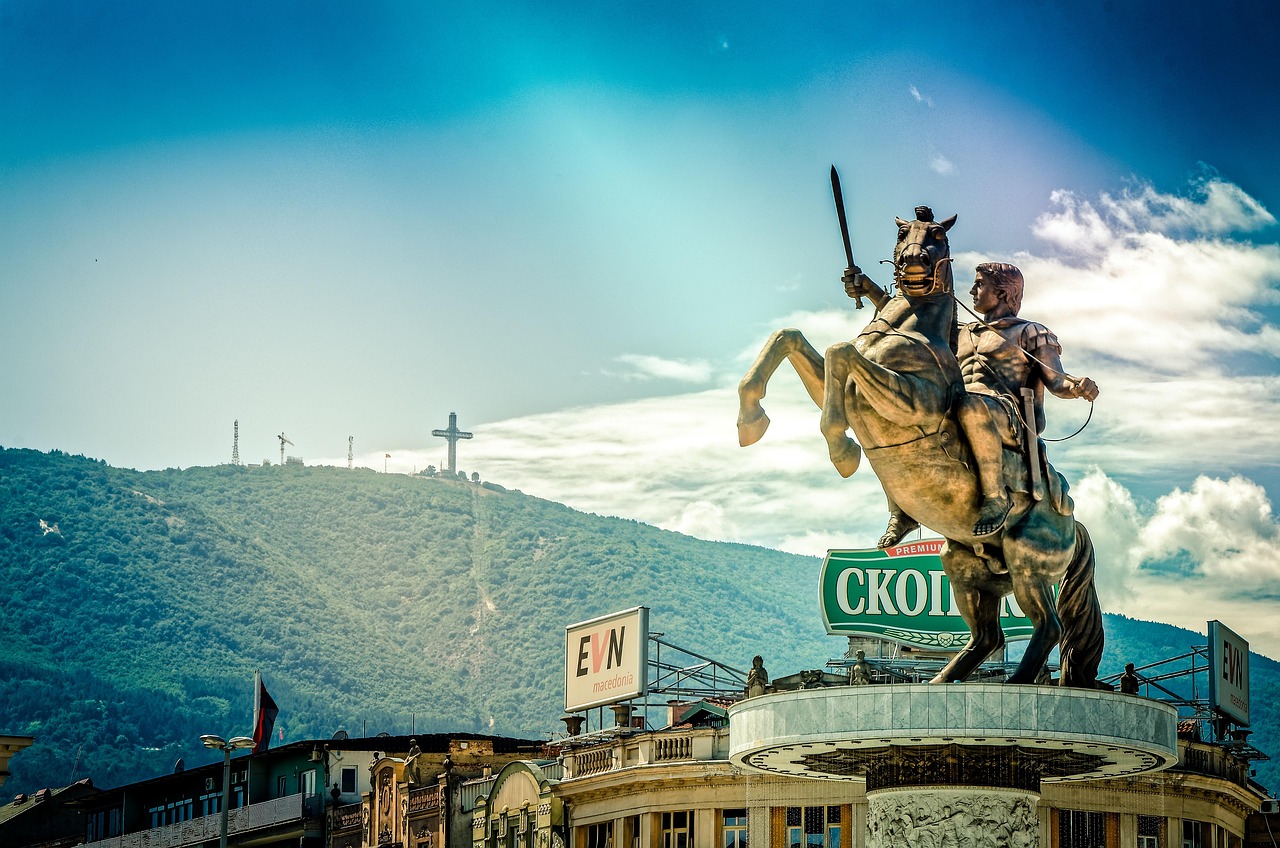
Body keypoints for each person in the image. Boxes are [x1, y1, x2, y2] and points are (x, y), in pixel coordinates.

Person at [844, 261, 1098, 543]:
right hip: (959, 402)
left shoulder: (1030, 332)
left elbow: (1057, 381)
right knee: (900, 413)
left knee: (971, 406)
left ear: (1001, 293)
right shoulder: (963, 332)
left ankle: (996, 496)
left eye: (980, 285)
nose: (972, 290)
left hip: (1004, 413)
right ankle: (902, 509)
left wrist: (1078, 387)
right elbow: (913, 316)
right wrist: (869, 290)